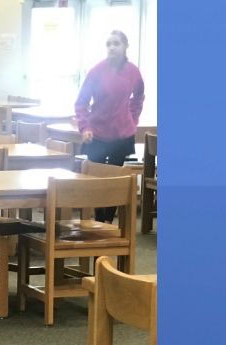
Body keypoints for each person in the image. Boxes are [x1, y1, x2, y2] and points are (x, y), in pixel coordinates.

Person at [75, 30, 145, 223]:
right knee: (97, 179)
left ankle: (107, 221)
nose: (112, 47)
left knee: (115, 179)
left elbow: (138, 97)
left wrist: (133, 119)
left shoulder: (133, 72)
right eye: (109, 44)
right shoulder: (96, 71)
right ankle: (99, 220)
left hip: (121, 134)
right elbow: (81, 103)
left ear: (125, 47)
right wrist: (85, 127)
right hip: (96, 132)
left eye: (116, 43)